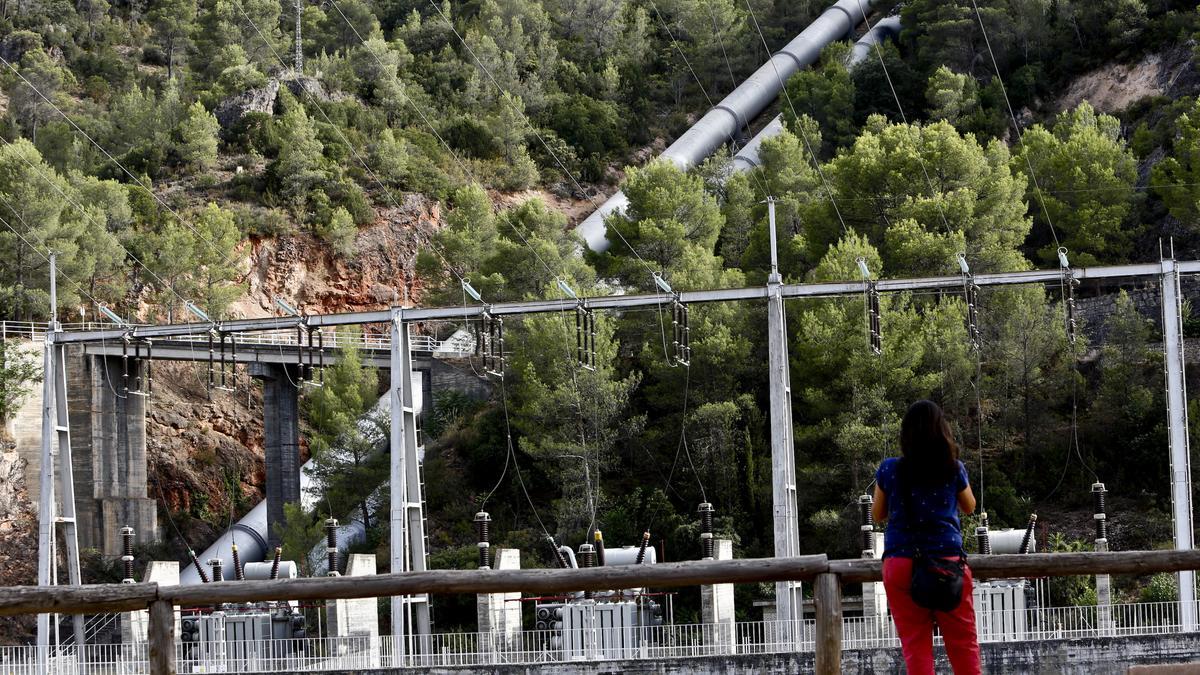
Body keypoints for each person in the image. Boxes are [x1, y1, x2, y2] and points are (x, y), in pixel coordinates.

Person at [873, 399, 981, 675]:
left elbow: (877, 514)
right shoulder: (952, 468)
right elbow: (970, 506)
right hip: (947, 564)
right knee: (963, 645)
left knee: (915, 647)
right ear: (942, 430)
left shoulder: (889, 469)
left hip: (900, 563)